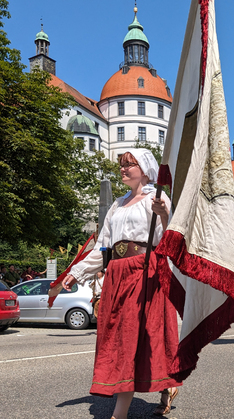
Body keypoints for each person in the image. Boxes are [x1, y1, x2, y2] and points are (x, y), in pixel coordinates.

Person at [61, 149, 181, 419]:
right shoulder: (116, 205)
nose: (123, 169)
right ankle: (167, 385)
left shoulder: (157, 198)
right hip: (116, 273)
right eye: (122, 165)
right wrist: (77, 271)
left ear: (145, 169)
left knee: (133, 338)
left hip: (144, 272)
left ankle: (120, 413)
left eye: (130, 165)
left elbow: (170, 238)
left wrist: (162, 215)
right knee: (118, 338)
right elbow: (103, 246)